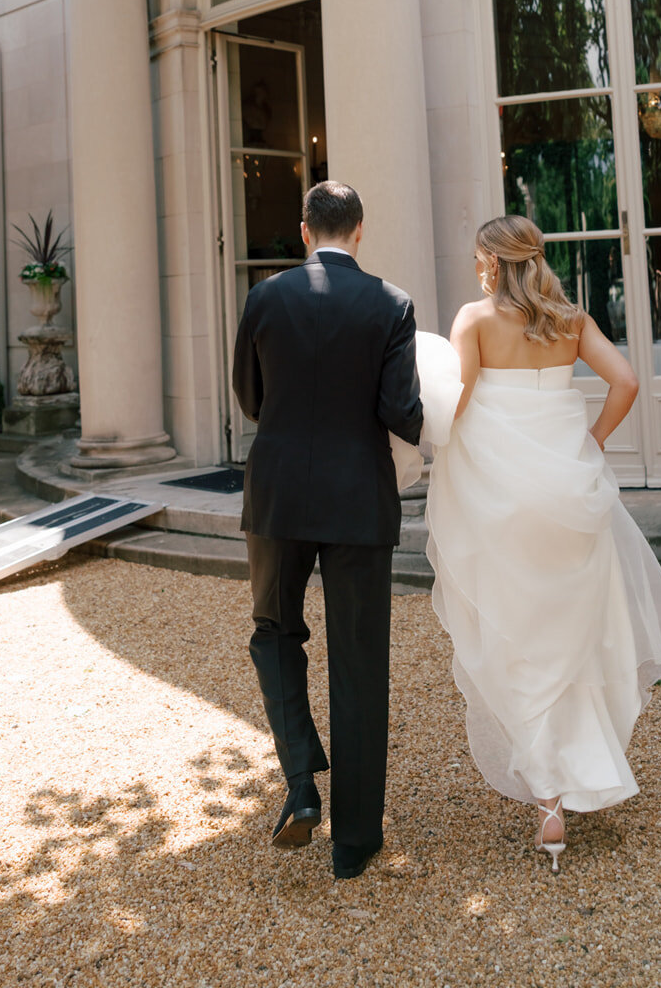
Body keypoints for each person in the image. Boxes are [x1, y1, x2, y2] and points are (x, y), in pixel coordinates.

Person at [424, 214, 661, 874]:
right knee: (574, 633)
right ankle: (582, 771)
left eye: (476, 257)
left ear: (492, 262)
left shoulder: (474, 320)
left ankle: (548, 797)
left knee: (518, 637)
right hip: (569, 498)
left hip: (502, 504)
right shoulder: (570, 320)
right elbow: (626, 382)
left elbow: (455, 408)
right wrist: (592, 441)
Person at [232, 181, 423, 880]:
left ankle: (301, 783)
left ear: (304, 230)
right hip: (358, 500)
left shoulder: (264, 297)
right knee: (359, 659)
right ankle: (355, 844)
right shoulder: (392, 303)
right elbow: (401, 413)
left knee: (274, 631)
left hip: (279, 490)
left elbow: (250, 399)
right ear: (360, 231)